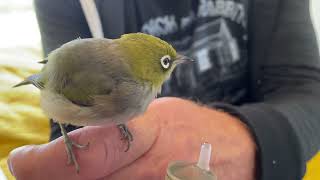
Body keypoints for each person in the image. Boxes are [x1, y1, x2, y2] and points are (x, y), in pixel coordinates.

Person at [7, 0, 320, 179]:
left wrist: (253, 142)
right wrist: (73, 146)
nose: (178, 63)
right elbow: (63, 104)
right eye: (169, 62)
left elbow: (306, 88)